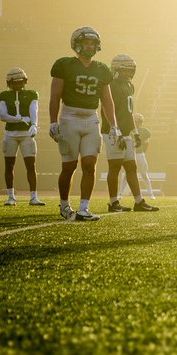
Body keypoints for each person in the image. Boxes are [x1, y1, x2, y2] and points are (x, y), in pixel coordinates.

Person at [48, 26, 118, 222]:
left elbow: (107, 100)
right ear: (77, 44)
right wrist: (53, 121)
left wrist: (114, 125)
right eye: (86, 42)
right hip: (69, 117)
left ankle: (84, 208)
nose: (89, 46)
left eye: (92, 43)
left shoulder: (102, 69)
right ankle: (64, 205)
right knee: (69, 166)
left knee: (89, 165)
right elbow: (55, 96)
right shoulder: (64, 65)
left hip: (91, 119)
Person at [103, 54, 158, 213]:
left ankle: (139, 201)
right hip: (113, 131)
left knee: (131, 167)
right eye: (125, 70)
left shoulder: (129, 85)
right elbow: (107, 109)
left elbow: (129, 113)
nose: (129, 73)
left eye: (130, 70)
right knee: (115, 167)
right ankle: (113, 202)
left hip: (127, 132)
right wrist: (116, 130)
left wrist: (135, 132)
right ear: (117, 69)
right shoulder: (111, 85)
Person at [0, 66, 43, 207]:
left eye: (20, 81)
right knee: (9, 165)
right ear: (10, 82)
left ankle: (34, 197)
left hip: (26, 134)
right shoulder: (4, 95)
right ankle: (11, 197)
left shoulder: (31, 94)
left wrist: (34, 124)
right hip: (10, 134)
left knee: (31, 165)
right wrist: (18, 119)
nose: (18, 84)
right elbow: (2, 115)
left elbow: (34, 110)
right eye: (15, 82)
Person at [118, 113, 156, 200]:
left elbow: (147, 143)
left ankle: (151, 193)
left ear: (141, 121)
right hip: (130, 154)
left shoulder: (145, 131)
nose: (136, 122)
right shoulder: (129, 130)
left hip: (140, 154)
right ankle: (120, 194)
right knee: (126, 174)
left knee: (144, 174)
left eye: (137, 120)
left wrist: (143, 153)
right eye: (135, 120)